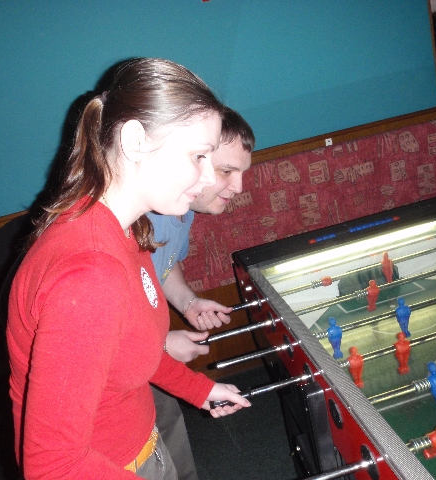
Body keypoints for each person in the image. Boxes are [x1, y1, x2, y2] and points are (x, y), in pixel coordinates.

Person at [6, 58, 251, 480]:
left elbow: (134, 346)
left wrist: (199, 389)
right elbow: (53, 466)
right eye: (199, 156)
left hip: (140, 443)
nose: (208, 177)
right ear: (136, 141)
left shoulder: (124, 229)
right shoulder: (89, 274)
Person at [146, 106, 254, 480]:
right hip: (110, 375)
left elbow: (164, 265)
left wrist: (187, 302)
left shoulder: (182, 207)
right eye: (227, 171)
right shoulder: (138, 221)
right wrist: (161, 346)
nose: (239, 187)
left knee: (166, 426)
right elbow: (100, 331)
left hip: (146, 349)